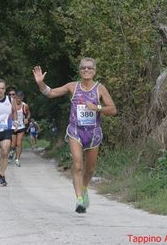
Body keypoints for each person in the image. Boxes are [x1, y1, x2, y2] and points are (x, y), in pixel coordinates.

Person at [33, 57, 116, 213]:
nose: (86, 70)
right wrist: (40, 83)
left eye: (89, 68)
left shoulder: (100, 89)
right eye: (83, 68)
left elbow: (112, 109)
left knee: (90, 169)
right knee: (78, 165)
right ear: (79, 71)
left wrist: (97, 107)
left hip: (93, 133)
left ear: (94, 71)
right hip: (75, 131)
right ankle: (79, 200)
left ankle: (84, 188)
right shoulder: (73, 87)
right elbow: (51, 93)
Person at [8, 90, 31, 167]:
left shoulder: (25, 106)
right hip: (13, 126)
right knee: (13, 144)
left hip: (21, 126)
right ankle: (12, 152)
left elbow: (29, 113)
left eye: (20, 98)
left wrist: (27, 119)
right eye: (17, 98)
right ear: (15, 97)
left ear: (22, 98)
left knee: (19, 142)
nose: (18, 100)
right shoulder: (11, 105)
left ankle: (17, 159)